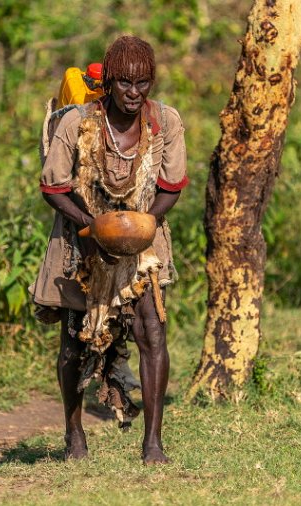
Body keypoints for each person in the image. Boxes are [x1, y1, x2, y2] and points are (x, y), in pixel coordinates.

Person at [31, 35, 188, 464]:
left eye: (143, 84)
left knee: (151, 333)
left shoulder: (165, 122)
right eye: (124, 84)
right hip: (81, 240)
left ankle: (153, 443)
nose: (134, 93)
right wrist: (90, 224)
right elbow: (53, 186)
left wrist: (144, 223)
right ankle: (73, 431)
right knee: (73, 342)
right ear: (109, 83)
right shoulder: (77, 123)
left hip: (143, 242)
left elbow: (173, 186)